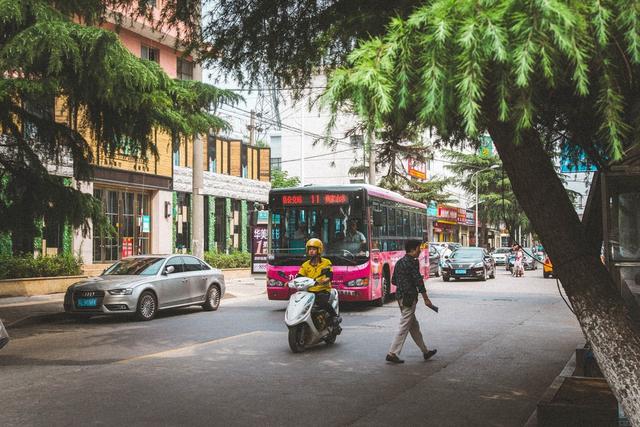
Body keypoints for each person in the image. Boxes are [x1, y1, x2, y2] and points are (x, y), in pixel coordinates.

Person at [386, 239, 437, 364]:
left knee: (414, 326)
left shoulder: (399, 262)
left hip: (400, 297)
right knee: (405, 325)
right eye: (419, 248)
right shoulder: (413, 263)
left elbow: (394, 281)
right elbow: (418, 281)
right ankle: (392, 353)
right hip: (409, 298)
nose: (420, 251)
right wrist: (426, 298)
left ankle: (425, 351)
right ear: (413, 250)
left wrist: (404, 284)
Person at [297, 238, 342, 327]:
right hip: (309, 291)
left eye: (313, 249)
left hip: (323, 290)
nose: (311, 251)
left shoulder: (326, 262)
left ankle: (335, 316)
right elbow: (299, 276)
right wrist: (291, 282)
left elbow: (329, 275)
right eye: (309, 249)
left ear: (319, 250)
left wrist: (324, 280)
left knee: (322, 302)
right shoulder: (305, 265)